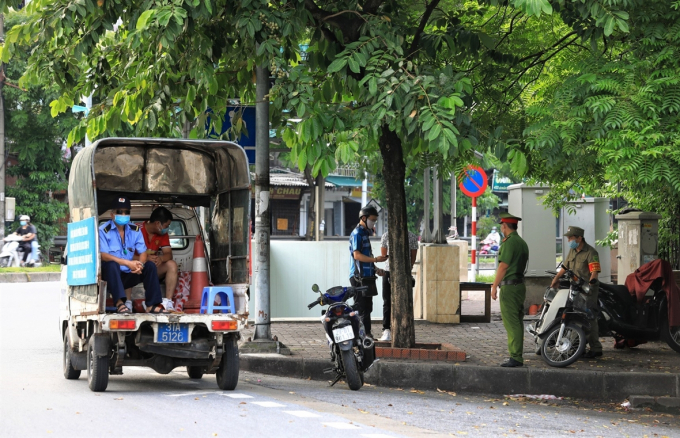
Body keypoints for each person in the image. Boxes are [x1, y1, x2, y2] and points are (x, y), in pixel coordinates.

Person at [99, 196, 168, 314]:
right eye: (120, 212)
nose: (123, 214)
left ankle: (152, 305)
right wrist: (128, 263)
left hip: (129, 274)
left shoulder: (135, 230)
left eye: (126, 212)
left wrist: (140, 264)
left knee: (150, 266)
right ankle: (120, 303)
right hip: (111, 276)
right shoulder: (103, 230)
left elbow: (143, 252)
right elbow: (103, 255)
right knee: (111, 265)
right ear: (112, 215)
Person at [550, 226, 603, 358]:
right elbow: (565, 266)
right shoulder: (572, 251)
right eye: (568, 238)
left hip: (587, 290)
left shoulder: (591, 252)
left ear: (579, 238)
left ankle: (596, 348)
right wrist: (556, 278)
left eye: (571, 237)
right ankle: (579, 347)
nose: (569, 240)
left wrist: (590, 285)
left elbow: (594, 272)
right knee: (575, 317)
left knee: (589, 317)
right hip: (575, 288)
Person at [491, 213, 529, 367]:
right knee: (517, 322)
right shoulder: (522, 242)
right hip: (519, 285)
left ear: (505, 226)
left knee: (512, 323)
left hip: (510, 287)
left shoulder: (509, 242)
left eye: (502, 225)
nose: (501, 227)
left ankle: (516, 357)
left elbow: (503, 266)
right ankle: (517, 355)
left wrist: (494, 286)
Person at [349, 206, 387, 338]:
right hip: (358, 277)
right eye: (372, 220)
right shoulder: (357, 234)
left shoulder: (365, 233)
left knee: (367, 308)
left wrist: (376, 269)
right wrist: (376, 259)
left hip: (368, 276)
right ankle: (360, 335)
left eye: (375, 221)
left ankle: (367, 334)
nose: (373, 223)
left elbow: (367, 255)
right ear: (363, 218)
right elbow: (357, 255)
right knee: (361, 307)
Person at [378, 229, 419, 341]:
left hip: (389, 271)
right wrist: (407, 269)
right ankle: (393, 328)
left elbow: (384, 255)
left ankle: (387, 329)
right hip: (400, 272)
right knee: (399, 301)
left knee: (388, 302)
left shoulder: (386, 235)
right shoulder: (411, 236)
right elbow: (412, 258)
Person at [137, 207, 179, 312]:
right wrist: (145, 258)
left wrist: (161, 258)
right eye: (166, 226)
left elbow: (169, 254)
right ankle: (128, 302)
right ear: (157, 223)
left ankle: (168, 302)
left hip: (152, 269)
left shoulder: (162, 234)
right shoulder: (136, 230)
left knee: (172, 264)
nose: (167, 229)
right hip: (135, 268)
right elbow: (126, 255)